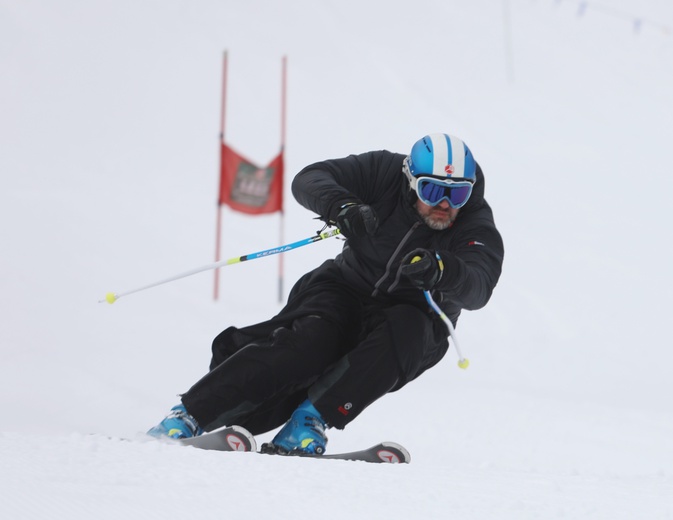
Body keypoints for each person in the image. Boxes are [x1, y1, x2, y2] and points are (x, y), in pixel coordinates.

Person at [148, 133, 504, 455]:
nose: (445, 204)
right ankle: (189, 414)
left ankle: (308, 422)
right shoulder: (382, 170)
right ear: (410, 181)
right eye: (432, 190)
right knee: (312, 342)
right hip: (344, 287)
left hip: (414, 316)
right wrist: (342, 206)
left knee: (408, 330)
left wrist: (443, 268)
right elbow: (309, 179)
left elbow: (479, 284)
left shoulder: (474, 222)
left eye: (457, 193)